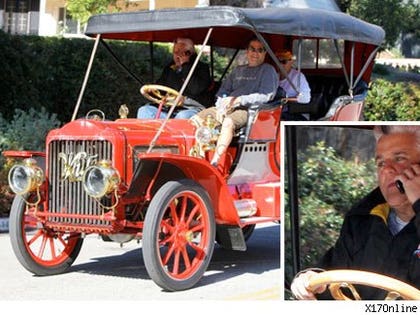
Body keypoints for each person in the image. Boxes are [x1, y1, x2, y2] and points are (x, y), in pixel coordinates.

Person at [291, 125, 420, 300]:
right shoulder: (362, 220)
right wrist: (309, 279)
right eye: (380, 163)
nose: (387, 170)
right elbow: (333, 272)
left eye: (399, 158)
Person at [191, 37, 279, 167]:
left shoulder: (268, 70)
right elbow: (223, 91)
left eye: (260, 50)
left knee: (228, 122)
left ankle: (216, 161)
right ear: (247, 51)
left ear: (265, 53)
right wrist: (221, 105)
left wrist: (239, 100)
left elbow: (266, 96)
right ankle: (199, 156)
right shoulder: (238, 70)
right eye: (252, 49)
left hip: (248, 110)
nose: (255, 53)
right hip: (227, 106)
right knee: (195, 119)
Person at [137, 38, 211, 119]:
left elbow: (195, 88)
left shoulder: (202, 68)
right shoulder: (169, 68)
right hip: (168, 108)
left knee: (182, 116)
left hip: (191, 108)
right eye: (175, 52)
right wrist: (152, 91)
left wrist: (185, 65)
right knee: (144, 111)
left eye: (181, 53)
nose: (177, 56)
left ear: (190, 53)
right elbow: (161, 87)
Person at [277, 50, 311, 120]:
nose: (281, 65)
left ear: (291, 62)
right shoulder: (274, 76)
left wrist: (286, 100)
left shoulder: (298, 77)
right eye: (278, 62)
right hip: (277, 112)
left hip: (296, 114)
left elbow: (306, 98)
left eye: (284, 62)